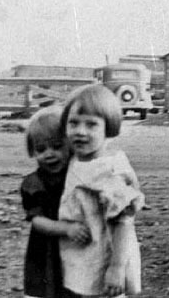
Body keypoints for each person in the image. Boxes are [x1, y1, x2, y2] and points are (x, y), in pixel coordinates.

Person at [58, 84, 145, 297]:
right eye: (73, 123)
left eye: (91, 125)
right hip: (85, 253)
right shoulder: (77, 159)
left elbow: (122, 223)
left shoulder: (109, 171)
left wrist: (116, 268)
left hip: (107, 258)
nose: (80, 131)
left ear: (109, 129)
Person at [20, 105, 91, 298]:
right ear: (32, 151)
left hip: (76, 250)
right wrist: (66, 229)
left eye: (57, 146)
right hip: (46, 252)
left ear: (71, 144)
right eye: (41, 149)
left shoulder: (79, 175)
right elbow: (37, 220)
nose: (49, 154)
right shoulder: (34, 183)